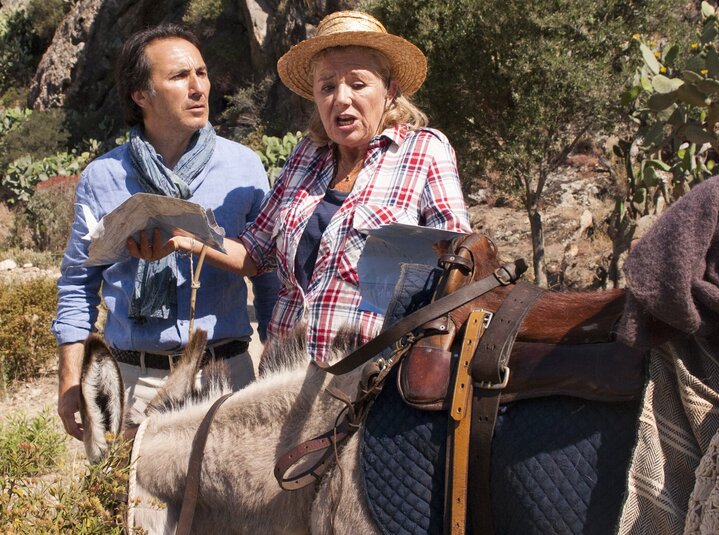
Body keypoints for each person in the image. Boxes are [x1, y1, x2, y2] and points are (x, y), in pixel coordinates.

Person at [130, 11, 472, 362]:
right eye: (327, 86)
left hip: (369, 377)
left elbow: (459, 265)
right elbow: (253, 253)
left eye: (358, 84)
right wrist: (187, 237)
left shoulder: (424, 150)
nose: (341, 98)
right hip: (286, 373)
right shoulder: (306, 156)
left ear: (390, 91)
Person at [54, 24, 279, 439]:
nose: (198, 88)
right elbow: (77, 284)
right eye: (179, 76)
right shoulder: (103, 177)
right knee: (128, 483)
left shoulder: (243, 167)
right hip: (133, 383)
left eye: (202, 73)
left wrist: (275, 361)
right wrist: (70, 381)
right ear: (141, 95)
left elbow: (269, 276)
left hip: (226, 379)